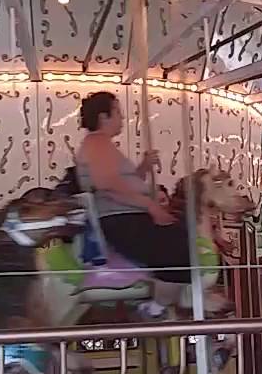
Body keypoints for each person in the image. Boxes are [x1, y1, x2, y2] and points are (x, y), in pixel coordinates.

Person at [74, 91, 192, 283]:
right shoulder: (97, 143)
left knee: (180, 231)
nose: (122, 117)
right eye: (118, 112)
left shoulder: (103, 144)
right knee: (179, 247)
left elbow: (124, 183)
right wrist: (150, 206)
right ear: (104, 116)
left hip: (124, 215)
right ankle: (160, 305)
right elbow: (107, 185)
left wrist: (144, 166)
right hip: (121, 219)